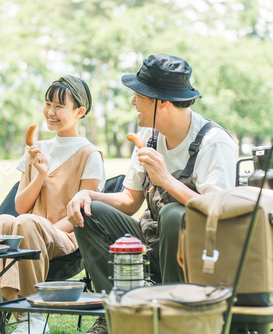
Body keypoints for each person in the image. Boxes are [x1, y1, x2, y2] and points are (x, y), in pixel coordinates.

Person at [67, 54, 238, 334]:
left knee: (173, 213)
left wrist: (167, 180)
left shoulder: (213, 143)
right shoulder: (149, 136)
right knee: (90, 212)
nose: (133, 101)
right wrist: (87, 196)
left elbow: (219, 213)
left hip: (201, 258)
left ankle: (173, 315)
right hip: (152, 242)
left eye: (139, 95)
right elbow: (129, 201)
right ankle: (118, 313)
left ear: (163, 102)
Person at [0, 75, 106, 334]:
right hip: (28, 228)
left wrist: (42, 228)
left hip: (67, 237)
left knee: (26, 223)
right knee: (2, 222)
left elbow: (82, 212)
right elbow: (21, 206)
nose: (50, 112)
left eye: (59, 106)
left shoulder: (90, 154)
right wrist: (40, 175)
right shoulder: (36, 149)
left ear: (79, 111)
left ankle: (33, 317)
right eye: (48, 104)